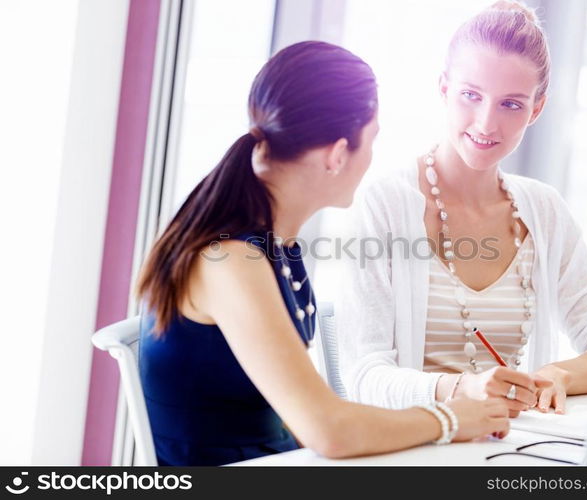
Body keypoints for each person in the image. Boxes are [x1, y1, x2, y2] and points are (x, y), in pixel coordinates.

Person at [135, 41, 510, 466]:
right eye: (371, 141)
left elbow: (308, 420)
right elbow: (326, 431)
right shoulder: (232, 262)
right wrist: (449, 419)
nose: (371, 157)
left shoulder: (274, 244)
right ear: (336, 154)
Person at [336, 1, 587, 418]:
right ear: (444, 88)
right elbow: (364, 376)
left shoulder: (543, 211)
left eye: (511, 104)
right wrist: (461, 388)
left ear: (536, 109)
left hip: (506, 448)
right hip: (413, 452)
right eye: (471, 95)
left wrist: (560, 374)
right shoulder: (385, 204)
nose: (486, 123)